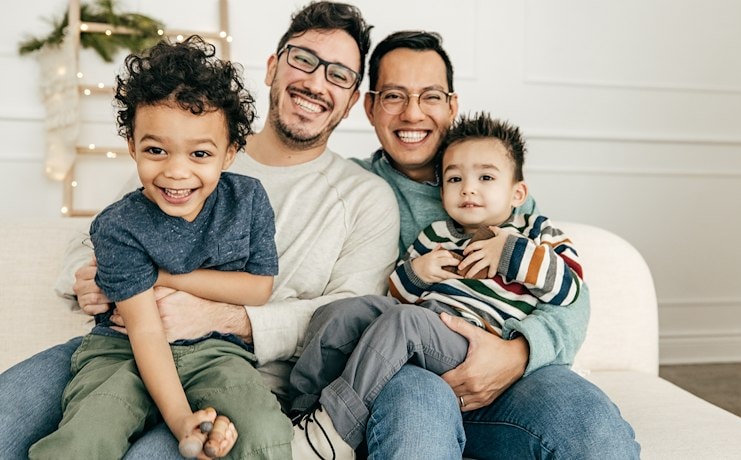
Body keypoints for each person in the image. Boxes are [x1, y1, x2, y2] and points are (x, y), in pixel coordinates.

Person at [0, 2, 399, 458]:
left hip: (232, 365)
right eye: (303, 59)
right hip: (119, 341)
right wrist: (89, 278)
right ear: (272, 68)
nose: (314, 81)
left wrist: (227, 317)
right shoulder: (178, 135)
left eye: (339, 75)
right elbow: (93, 240)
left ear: (352, 100)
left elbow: (350, 317)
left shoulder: (363, 197)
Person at [350, 31, 640, 459]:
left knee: (594, 431)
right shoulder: (352, 188)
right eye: (394, 96)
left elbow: (569, 296)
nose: (413, 113)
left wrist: (517, 354)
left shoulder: (494, 183)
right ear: (370, 106)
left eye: (430, 96)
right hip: (409, 373)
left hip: (511, 367)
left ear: (452, 105)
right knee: (416, 435)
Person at [28, 35, 291, 460]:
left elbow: (259, 288)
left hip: (216, 349)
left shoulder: (249, 200)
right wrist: (183, 420)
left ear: (229, 154)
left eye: (200, 153)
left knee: (265, 432)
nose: (176, 171)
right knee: (84, 439)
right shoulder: (118, 226)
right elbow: (146, 331)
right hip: (122, 350)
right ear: (132, 145)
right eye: (155, 150)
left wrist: (166, 278)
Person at [289, 111, 586, 459]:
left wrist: (509, 250)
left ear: (517, 192)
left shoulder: (535, 231)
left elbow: (569, 288)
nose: (468, 188)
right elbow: (396, 295)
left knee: (405, 322)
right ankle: (302, 413)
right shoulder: (437, 235)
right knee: (340, 313)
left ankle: (334, 432)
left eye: (486, 177)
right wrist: (417, 272)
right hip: (421, 330)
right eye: (455, 178)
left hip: (475, 339)